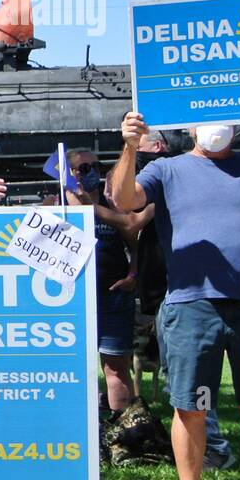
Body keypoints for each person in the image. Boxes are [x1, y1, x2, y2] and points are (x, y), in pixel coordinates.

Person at [108, 112, 240, 480]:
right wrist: (130, 146)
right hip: (192, 310)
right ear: (189, 125)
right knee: (193, 404)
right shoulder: (167, 169)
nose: (217, 125)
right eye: (207, 118)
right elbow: (124, 200)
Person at [67, 148, 141, 413]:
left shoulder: (114, 207)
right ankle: (81, 429)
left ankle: (123, 431)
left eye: (96, 167)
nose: (92, 174)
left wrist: (133, 272)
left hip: (112, 297)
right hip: (70, 301)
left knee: (116, 366)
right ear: (68, 173)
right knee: (72, 368)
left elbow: (135, 242)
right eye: (84, 169)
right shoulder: (54, 207)